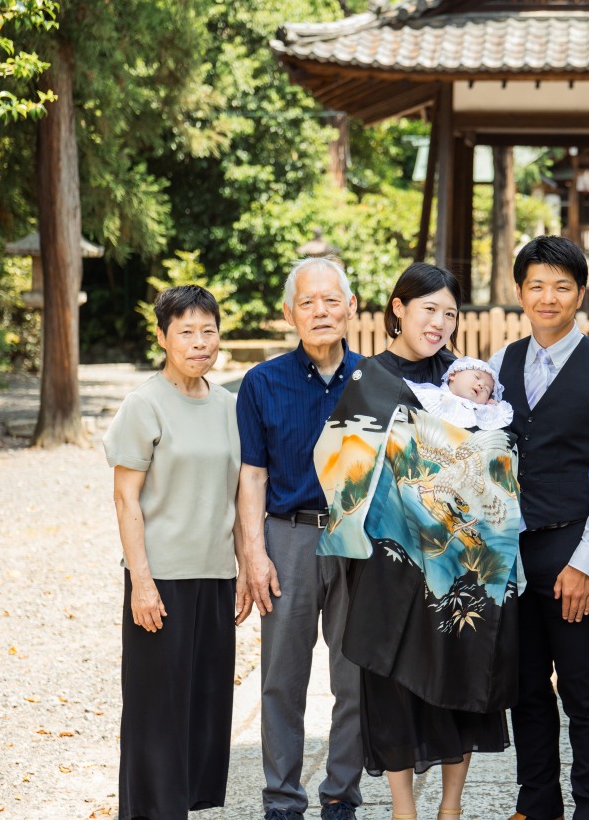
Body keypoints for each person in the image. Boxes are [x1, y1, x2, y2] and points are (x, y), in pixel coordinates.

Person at [315, 262, 517, 820]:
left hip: (460, 563)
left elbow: (498, 453)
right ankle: (404, 809)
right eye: (428, 309)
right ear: (398, 308)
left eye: (450, 313)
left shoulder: (465, 380)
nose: (440, 323)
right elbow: (336, 465)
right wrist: (405, 472)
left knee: (461, 671)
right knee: (391, 686)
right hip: (390, 560)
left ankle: (450, 807)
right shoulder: (368, 378)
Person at [489, 236, 589, 820]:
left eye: (561, 286)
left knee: (583, 690)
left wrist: (585, 562)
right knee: (524, 688)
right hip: (511, 553)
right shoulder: (500, 364)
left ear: (580, 294)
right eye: (535, 285)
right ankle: (537, 805)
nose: (547, 297)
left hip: (574, 547)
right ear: (519, 291)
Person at [103, 285, 251, 819]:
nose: (198, 342)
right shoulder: (145, 405)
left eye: (207, 331)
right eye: (185, 332)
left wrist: (242, 570)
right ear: (162, 337)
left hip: (213, 578)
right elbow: (125, 498)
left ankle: (185, 807)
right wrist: (141, 582)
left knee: (204, 707)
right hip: (160, 581)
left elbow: (238, 495)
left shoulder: (231, 406)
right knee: (156, 713)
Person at [236, 257, 364, 820]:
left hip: (356, 540)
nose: (320, 311)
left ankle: (340, 795)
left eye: (331, 300)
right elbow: (252, 476)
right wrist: (254, 553)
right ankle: (282, 799)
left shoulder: (374, 379)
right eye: (308, 303)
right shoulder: (262, 382)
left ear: (351, 307)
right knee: (281, 680)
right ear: (290, 313)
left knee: (354, 678)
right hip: (286, 538)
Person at [405, 355, 515, 430]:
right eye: (476, 377)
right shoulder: (435, 396)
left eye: (487, 389)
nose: (481, 385)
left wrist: (494, 408)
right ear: (453, 374)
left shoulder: (480, 411)